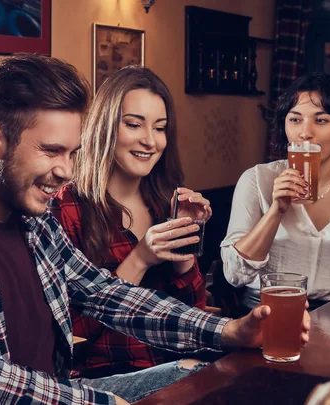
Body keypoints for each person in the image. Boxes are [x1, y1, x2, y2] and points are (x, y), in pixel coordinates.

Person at [0, 54, 310, 405]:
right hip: (63, 398)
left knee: (212, 379)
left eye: (73, 152)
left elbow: (104, 293)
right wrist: (97, 403)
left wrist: (228, 331)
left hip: (69, 394)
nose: (65, 172)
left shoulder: (35, 220)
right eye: (51, 151)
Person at [49, 66, 211, 379]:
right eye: (134, 124)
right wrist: (140, 259)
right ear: (104, 127)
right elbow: (68, 335)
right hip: (102, 379)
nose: (150, 141)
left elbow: (194, 318)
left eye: (160, 128)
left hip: (175, 369)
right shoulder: (65, 207)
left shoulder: (166, 202)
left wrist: (183, 250)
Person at [221, 72, 330, 311]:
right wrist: (277, 210)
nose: (305, 132)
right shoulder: (257, 180)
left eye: (321, 120)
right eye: (295, 119)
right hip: (264, 313)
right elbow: (235, 274)